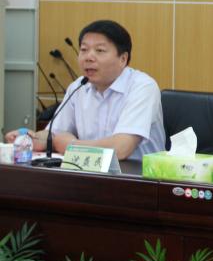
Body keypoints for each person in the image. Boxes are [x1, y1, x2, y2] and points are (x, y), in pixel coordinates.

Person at [6, 20, 165, 162]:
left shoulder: (142, 87)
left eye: (100, 50)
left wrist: (72, 145)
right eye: (84, 49)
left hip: (137, 179)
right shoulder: (79, 86)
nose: (88, 57)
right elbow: (55, 135)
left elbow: (121, 148)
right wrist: (29, 139)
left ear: (123, 59)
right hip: (89, 175)